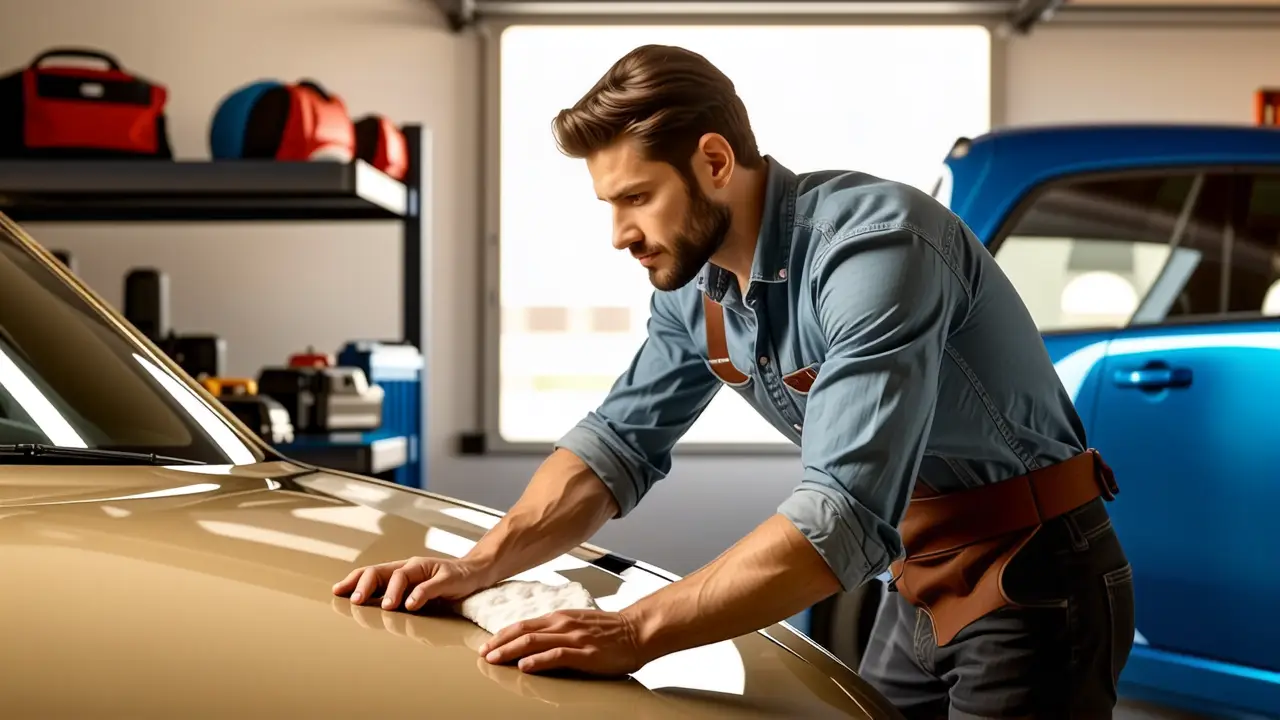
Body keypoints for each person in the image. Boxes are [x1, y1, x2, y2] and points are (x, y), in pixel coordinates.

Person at [333, 44, 1134, 718]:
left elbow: (839, 514)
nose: (620, 235)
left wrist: (634, 631)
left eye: (638, 198)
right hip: (915, 578)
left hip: (1035, 578)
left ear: (714, 161)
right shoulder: (694, 287)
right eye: (609, 205)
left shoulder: (876, 249)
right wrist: (481, 565)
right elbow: (614, 445)